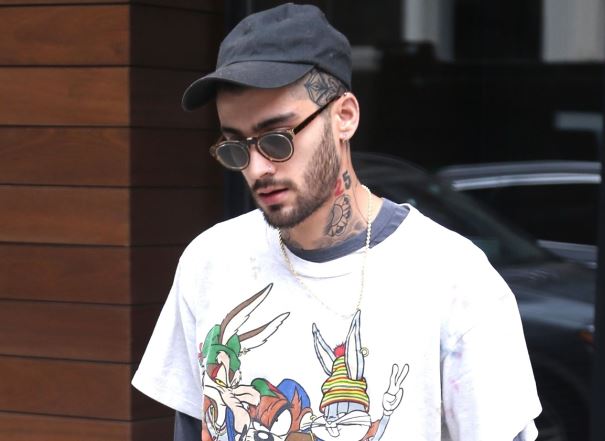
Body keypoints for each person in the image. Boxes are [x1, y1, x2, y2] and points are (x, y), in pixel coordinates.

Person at [132, 3, 542, 440]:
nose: (256, 168)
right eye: (236, 146)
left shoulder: (454, 279)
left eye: (277, 139)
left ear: (344, 116)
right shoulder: (210, 261)